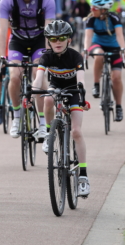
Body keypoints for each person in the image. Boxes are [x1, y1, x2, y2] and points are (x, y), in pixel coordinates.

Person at [31, 20, 90, 196]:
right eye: (53, 38)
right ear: (48, 40)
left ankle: (83, 177)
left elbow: (81, 79)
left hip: (73, 91)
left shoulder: (76, 56)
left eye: (62, 38)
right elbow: (38, 78)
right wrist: (32, 91)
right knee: (48, 99)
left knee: (76, 132)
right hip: (55, 88)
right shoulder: (46, 57)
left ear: (69, 40)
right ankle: (49, 133)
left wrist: (82, 93)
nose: (58, 42)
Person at [0, 0, 56, 139]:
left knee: (38, 77)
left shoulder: (47, 0)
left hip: (39, 39)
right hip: (18, 40)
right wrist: (1, 56)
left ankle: (44, 124)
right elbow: (2, 30)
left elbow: (48, 30)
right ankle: (16, 117)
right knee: (14, 75)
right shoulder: (7, 0)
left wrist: (46, 56)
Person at [84, 0, 125, 122]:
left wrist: (123, 48)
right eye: (91, 7)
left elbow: (119, 35)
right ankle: (96, 85)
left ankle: (118, 107)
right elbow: (88, 37)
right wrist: (86, 49)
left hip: (114, 47)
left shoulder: (114, 18)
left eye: (94, 8)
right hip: (97, 45)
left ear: (103, 9)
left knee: (117, 78)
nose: (92, 10)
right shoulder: (91, 19)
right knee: (98, 55)